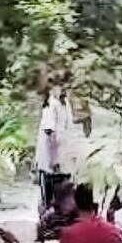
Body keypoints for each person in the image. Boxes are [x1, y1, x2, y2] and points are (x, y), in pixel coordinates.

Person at [34, 83, 74, 213]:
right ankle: (47, 226)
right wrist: (55, 159)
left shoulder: (65, 103)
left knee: (65, 198)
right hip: (51, 164)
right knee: (50, 200)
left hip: (63, 161)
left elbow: (66, 128)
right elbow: (50, 132)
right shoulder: (51, 105)